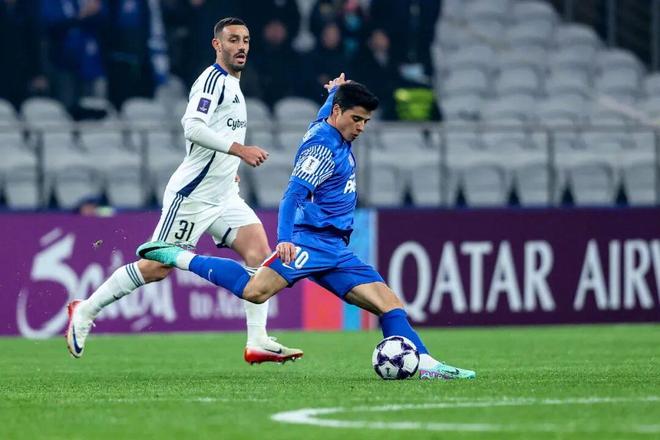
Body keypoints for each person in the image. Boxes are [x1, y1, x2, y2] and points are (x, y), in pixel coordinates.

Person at [136, 74, 476, 380]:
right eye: (356, 119)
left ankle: (425, 363)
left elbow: (326, 111)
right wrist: (285, 239)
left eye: (366, 121)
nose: (360, 127)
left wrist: (333, 91)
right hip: (310, 244)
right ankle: (176, 256)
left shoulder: (328, 122)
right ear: (339, 113)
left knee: (389, 304)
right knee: (254, 291)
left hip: (337, 250)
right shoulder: (323, 148)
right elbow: (292, 196)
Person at [65, 17, 303, 365]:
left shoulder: (234, 85)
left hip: (223, 194)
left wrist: (228, 168)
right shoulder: (212, 80)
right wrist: (239, 150)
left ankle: (257, 341)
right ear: (217, 44)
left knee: (258, 253)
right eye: (233, 40)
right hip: (192, 194)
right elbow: (192, 126)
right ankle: (85, 310)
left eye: (246, 40)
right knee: (156, 266)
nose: (241, 46)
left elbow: (215, 134)